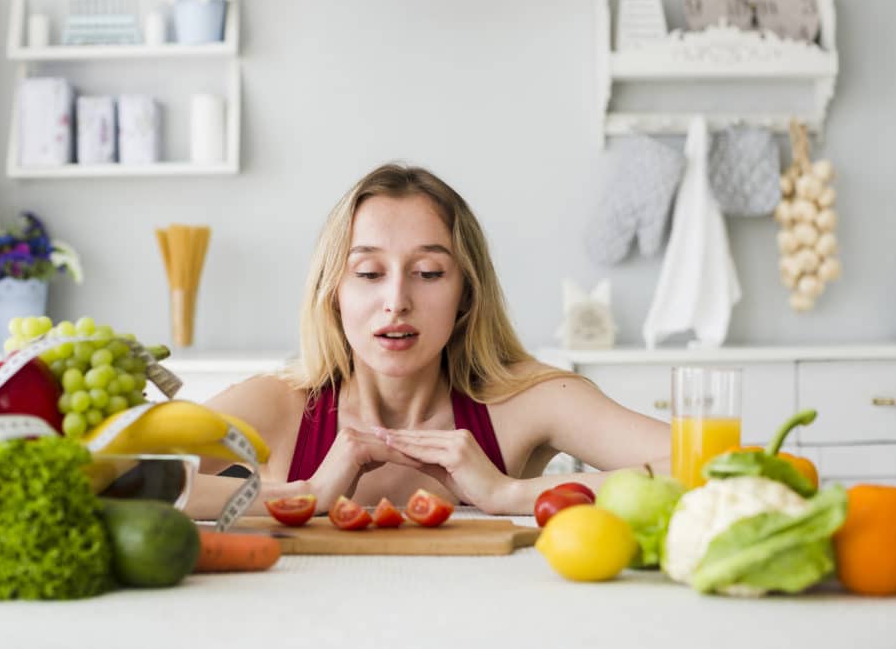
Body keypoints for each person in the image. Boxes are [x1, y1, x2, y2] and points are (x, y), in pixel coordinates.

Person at [188, 163, 669, 519]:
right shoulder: (280, 406)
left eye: (428, 273)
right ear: (333, 294)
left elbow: (721, 467)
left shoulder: (527, 400)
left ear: (466, 294)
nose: (396, 300)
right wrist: (307, 493)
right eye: (369, 272)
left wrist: (508, 494)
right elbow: (122, 477)